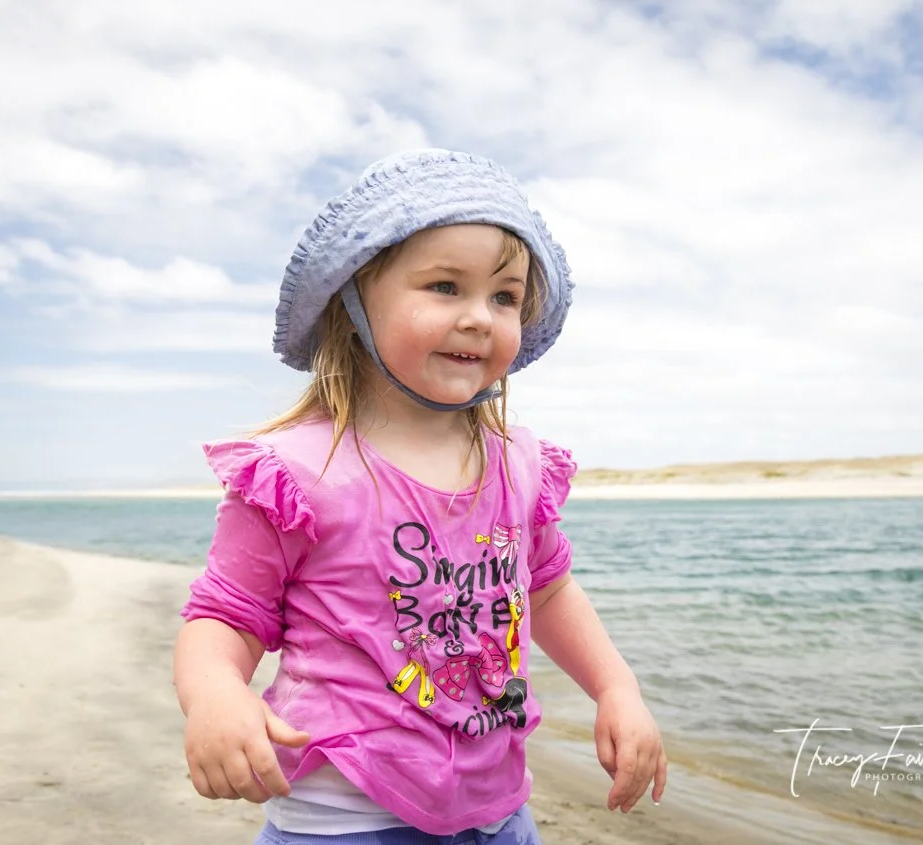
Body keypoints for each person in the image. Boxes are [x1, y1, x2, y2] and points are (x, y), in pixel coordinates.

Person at [174, 149, 666, 844]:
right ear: (354, 303)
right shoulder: (301, 469)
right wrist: (217, 694)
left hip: (497, 809)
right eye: (444, 286)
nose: (479, 317)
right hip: (345, 815)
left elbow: (549, 588)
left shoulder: (515, 462)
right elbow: (226, 614)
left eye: (504, 296)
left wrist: (617, 688)